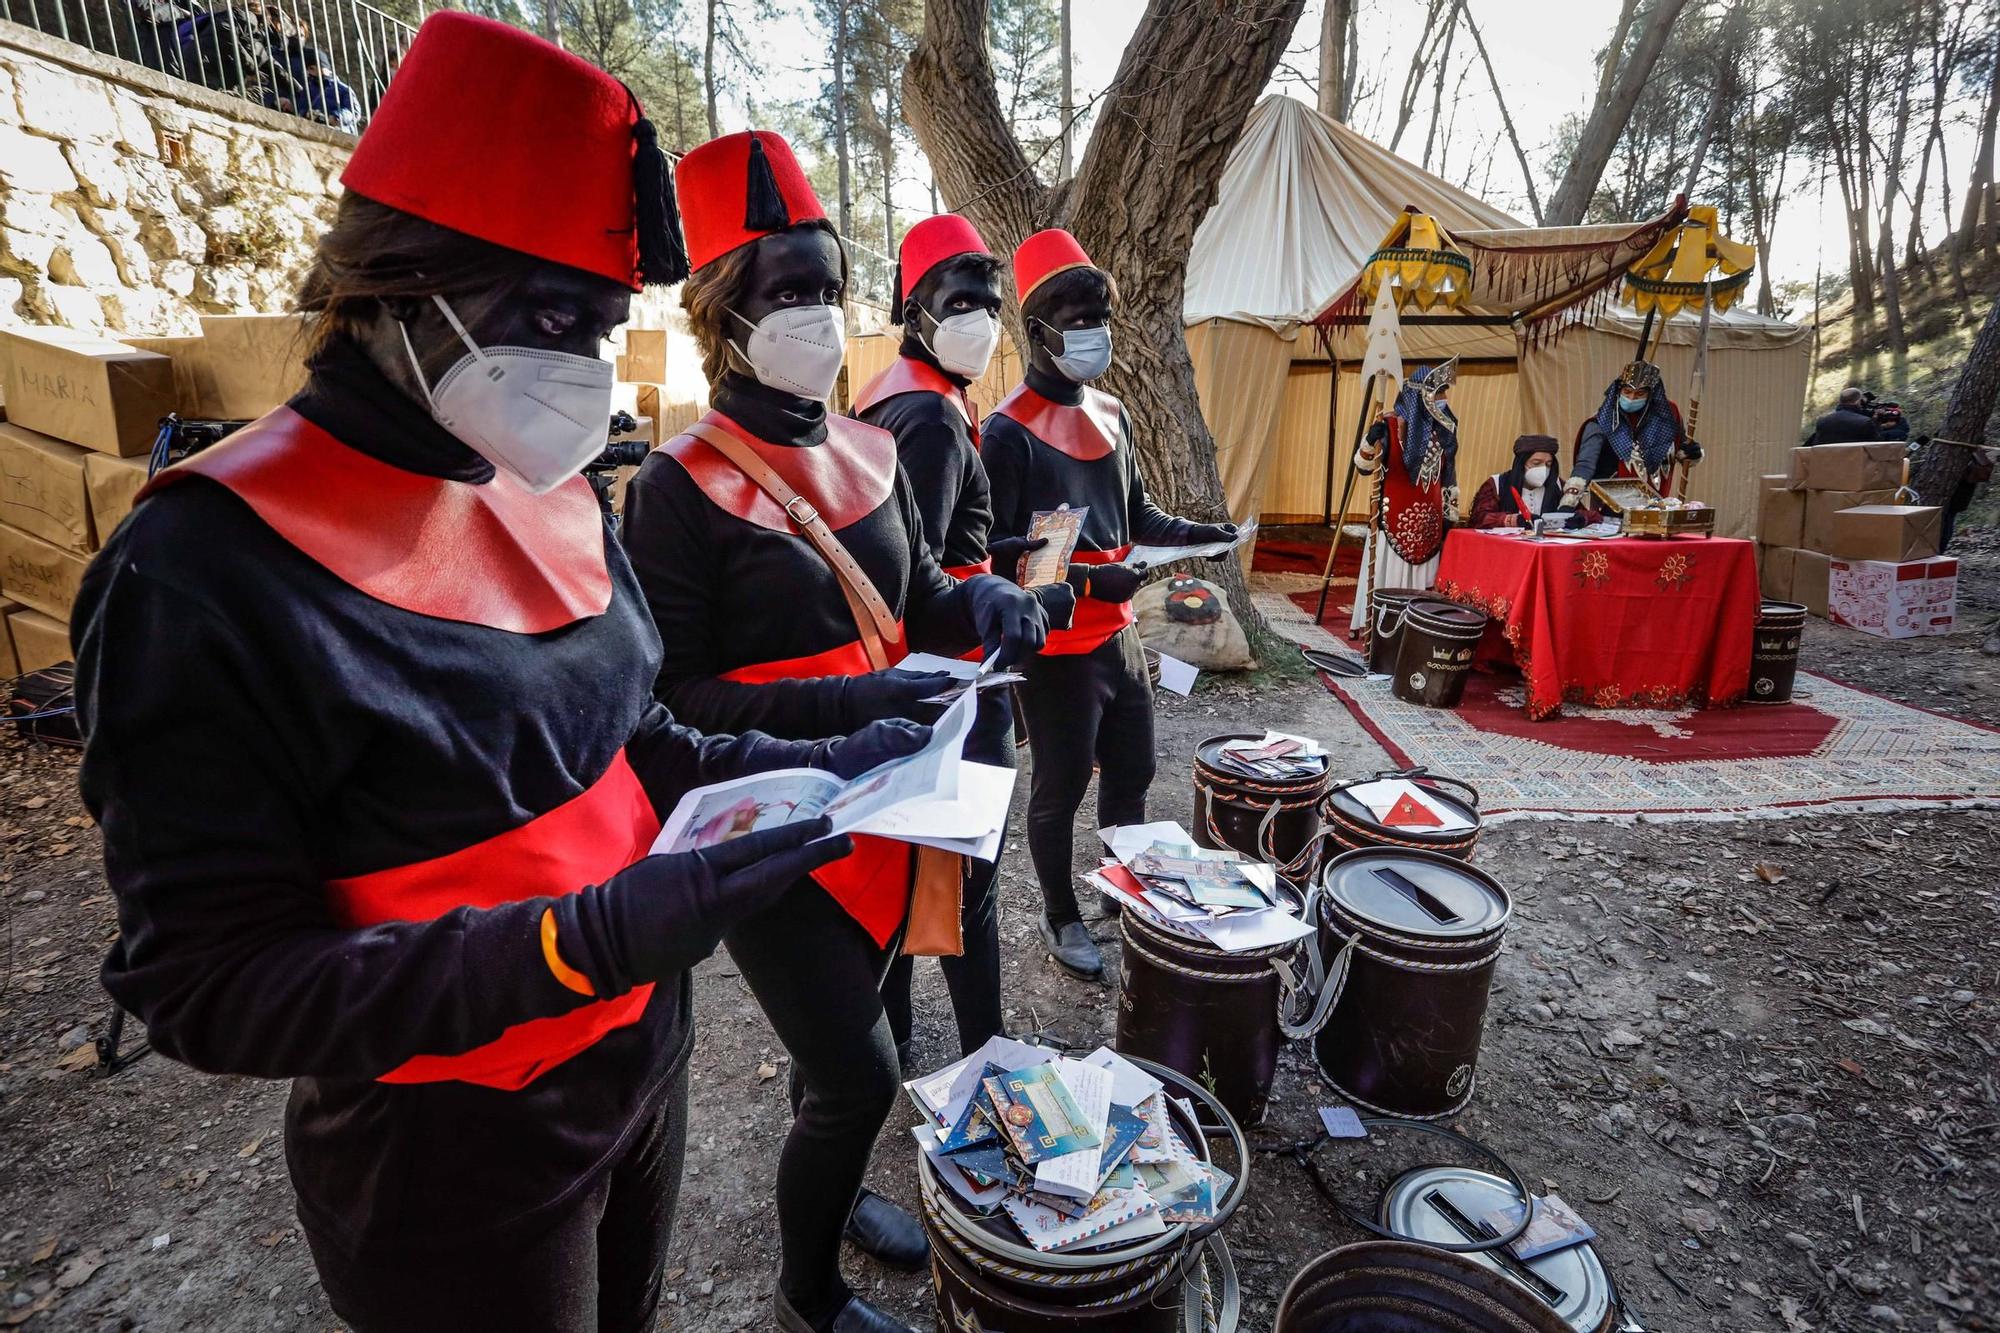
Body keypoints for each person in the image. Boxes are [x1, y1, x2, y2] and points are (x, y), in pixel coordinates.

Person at [70, 17, 926, 1332]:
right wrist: (584, 941)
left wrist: (821, 760)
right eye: (551, 318)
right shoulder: (201, 567)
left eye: (601, 329)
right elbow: (209, 984)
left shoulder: (545, 478)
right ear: (397, 285)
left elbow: (632, 737)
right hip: (445, 1140)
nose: (580, 374)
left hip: (642, 1050)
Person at [619, 131, 1049, 1333]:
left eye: (826, 286)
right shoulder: (674, 488)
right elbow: (675, 702)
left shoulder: (871, 446)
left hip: (896, 792)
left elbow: (920, 601)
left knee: (870, 1027)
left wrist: (983, 602)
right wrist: (850, 706)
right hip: (772, 811)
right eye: (785, 292)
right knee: (860, 1072)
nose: (814, 312)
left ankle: (843, 1184)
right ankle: (806, 1296)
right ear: (724, 314)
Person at [981, 228, 1236, 981]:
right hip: (1057, 646)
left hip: (1119, 638)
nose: (1095, 331)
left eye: (1101, 317)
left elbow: (1137, 514)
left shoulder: (1114, 413)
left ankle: (1120, 886)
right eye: (1078, 317)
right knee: (1059, 787)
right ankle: (1059, 913)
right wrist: (1091, 584)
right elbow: (995, 556)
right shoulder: (1006, 432)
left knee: (1134, 769)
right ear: (1037, 329)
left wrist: (1199, 533)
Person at [851, 214, 1074, 1062]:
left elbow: (931, 544)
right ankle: (987, 1055)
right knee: (967, 881)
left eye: (990, 301)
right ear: (915, 310)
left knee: (920, 869)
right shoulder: (933, 418)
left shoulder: (890, 393)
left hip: (916, 675)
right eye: (960, 301)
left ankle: (902, 1036)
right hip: (952, 681)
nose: (981, 319)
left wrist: (996, 555)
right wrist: (1007, 595)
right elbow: (917, 584)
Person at [1349, 361, 1459, 634]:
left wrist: (1449, 516)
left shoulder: (1445, 430)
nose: (1444, 398)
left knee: (1422, 587)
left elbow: (1449, 476)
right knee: (1388, 578)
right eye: (1439, 393)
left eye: (1444, 392)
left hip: (1429, 526)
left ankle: (1415, 631)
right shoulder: (1388, 426)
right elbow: (1363, 466)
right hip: (1394, 522)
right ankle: (1381, 629)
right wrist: (1370, 440)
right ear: (1421, 395)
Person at [1565, 359, 1702, 502]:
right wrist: (1569, 500)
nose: (1631, 398)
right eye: (1627, 392)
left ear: (1651, 395)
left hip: (1656, 502)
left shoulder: (1667, 416)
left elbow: (1680, 450)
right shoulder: (1602, 420)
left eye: (1639, 394)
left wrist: (1690, 452)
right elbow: (1585, 464)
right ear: (1619, 390)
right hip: (1611, 505)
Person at [1469, 434, 1578, 528]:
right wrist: (1515, 520)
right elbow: (1480, 518)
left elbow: (1582, 512)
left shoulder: (1557, 485)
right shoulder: (1497, 483)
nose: (1543, 469)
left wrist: (1576, 518)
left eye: (1548, 464)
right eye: (1536, 463)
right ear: (1521, 463)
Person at [1808, 386, 1881, 445]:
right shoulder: (1865, 422)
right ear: (1858, 401)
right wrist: (1876, 423)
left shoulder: (1822, 421)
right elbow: (1876, 445)